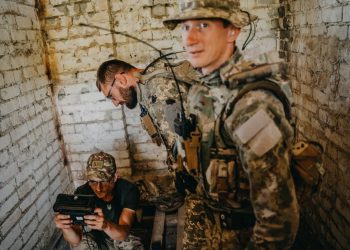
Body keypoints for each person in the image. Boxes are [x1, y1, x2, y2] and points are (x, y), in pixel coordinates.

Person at [163, 0, 299, 249]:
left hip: (240, 236)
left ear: (233, 30)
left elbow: (278, 218)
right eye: (185, 27)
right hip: (210, 222)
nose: (189, 39)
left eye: (203, 25)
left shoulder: (251, 104)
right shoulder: (209, 89)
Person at [95, 58, 200, 208]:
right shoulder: (146, 85)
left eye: (111, 96)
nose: (115, 103)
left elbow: (183, 149)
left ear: (121, 79)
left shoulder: (158, 89)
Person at [54, 151, 143, 250]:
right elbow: (76, 241)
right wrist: (66, 227)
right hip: (98, 238)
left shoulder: (129, 189)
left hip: (121, 235)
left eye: (103, 181)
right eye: (93, 181)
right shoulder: (82, 192)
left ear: (115, 177)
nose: (98, 188)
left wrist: (106, 226)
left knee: (131, 245)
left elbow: (124, 233)